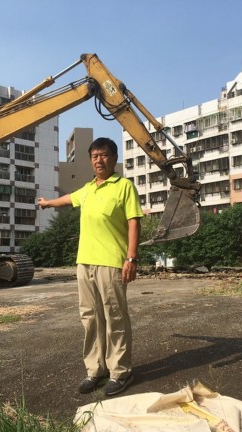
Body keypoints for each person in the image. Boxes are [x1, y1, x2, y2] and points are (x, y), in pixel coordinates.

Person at [38, 137, 143, 396]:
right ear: (90, 160)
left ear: (114, 158)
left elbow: (134, 222)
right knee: (90, 318)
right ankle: (96, 370)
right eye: (95, 156)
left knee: (115, 317)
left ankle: (121, 372)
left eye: (104, 155)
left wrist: (131, 258)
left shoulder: (124, 187)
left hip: (112, 262)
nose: (99, 160)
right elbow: (68, 199)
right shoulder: (88, 189)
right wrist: (47, 203)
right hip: (85, 262)